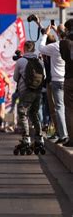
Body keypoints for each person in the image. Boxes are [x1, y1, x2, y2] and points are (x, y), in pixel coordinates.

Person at [13, 41, 45, 154]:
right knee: (34, 113)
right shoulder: (40, 61)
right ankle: (39, 137)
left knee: (23, 113)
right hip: (38, 91)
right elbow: (44, 76)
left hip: (26, 91)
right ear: (34, 48)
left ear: (25, 48)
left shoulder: (21, 61)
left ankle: (26, 138)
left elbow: (15, 78)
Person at [39, 24, 69, 145]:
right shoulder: (69, 45)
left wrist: (45, 34)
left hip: (56, 81)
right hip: (67, 79)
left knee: (59, 108)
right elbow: (63, 39)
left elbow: (41, 48)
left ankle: (63, 135)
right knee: (68, 108)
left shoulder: (55, 47)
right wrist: (58, 31)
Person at [60, 18, 73, 147]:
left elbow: (64, 57)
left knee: (69, 109)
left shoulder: (64, 43)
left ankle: (72, 138)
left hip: (69, 77)